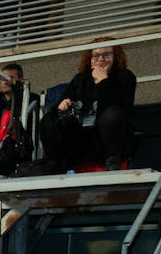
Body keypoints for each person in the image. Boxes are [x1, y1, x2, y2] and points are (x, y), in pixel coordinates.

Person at [40, 43, 136, 172]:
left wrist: (103, 80)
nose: (101, 59)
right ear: (90, 60)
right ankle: (54, 164)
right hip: (79, 137)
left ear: (116, 56)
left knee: (113, 113)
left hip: (107, 139)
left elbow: (119, 107)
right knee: (48, 119)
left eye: (106, 54)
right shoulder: (80, 79)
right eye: (96, 55)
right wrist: (63, 105)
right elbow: (59, 107)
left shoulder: (125, 76)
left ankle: (112, 161)